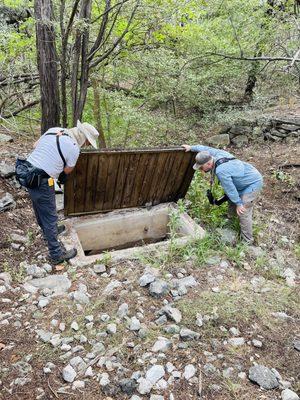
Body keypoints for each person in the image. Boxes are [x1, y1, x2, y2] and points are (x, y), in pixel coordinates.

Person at [26, 120, 99, 264]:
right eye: (88, 143)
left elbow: (35, 145)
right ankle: (56, 254)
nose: (86, 146)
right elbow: (67, 170)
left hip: (27, 170)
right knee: (50, 214)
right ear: (83, 138)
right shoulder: (73, 147)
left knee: (39, 206)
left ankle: (48, 233)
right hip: (43, 179)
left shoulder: (54, 129)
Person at [182, 144, 263, 243]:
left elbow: (230, 189)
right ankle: (231, 221)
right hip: (242, 177)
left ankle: (247, 241)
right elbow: (206, 149)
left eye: (201, 167)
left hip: (252, 182)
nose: (201, 170)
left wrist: (239, 203)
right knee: (232, 200)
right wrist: (191, 147)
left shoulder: (221, 171)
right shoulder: (215, 154)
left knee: (243, 211)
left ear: (208, 164)